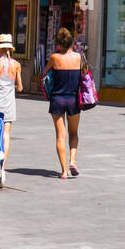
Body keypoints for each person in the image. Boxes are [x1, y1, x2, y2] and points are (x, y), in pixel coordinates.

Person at [43, 27, 82, 179]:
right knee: (74, 133)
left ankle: (64, 171)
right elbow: (84, 75)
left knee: (60, 136)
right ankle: (72, 160)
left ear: (58, 44)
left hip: (57, 99)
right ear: (72, 42)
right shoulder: (79, 57)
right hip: (73, 99)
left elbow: (45, 73)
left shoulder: (54, 58)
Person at [0, 34, 23, 169]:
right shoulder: (16, 65)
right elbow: (20, 87)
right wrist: (10, 86)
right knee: (6, 135)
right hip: (9, 104)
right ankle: (2, 167)